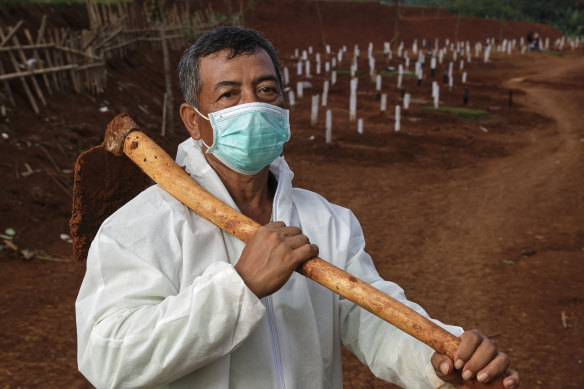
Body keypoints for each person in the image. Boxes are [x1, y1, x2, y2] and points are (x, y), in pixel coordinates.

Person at [76, 26, 520, 389]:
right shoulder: (139, 228)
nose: (253, 104)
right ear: (194, 120)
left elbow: (372, 321)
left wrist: (437, 361)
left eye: (266, 89)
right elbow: (107, 357)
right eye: (229, 94)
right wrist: (238, 287)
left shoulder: (328, 222)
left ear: (284, 107)